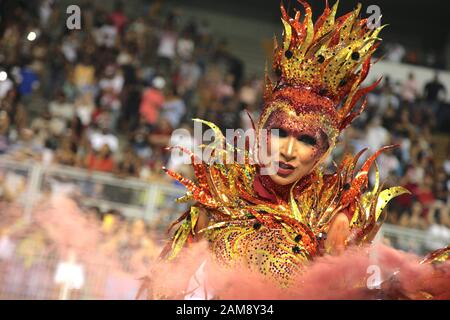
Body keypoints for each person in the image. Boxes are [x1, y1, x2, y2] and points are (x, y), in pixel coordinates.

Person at [142, 2, 450, 300]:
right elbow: (167, 283)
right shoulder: (221, 194)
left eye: (306, 140)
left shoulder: (333, 214)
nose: (288, 151)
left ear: (325, 150)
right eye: (280, 133)